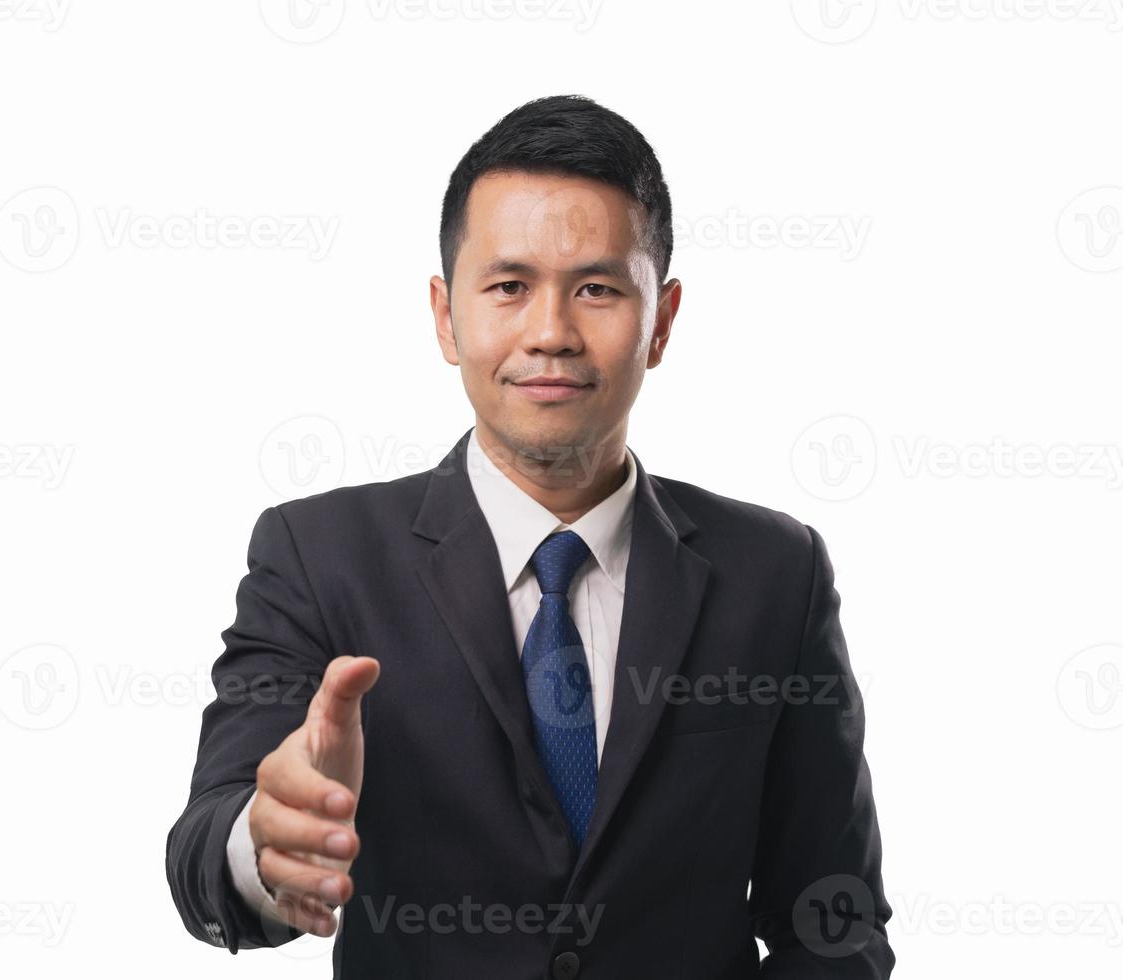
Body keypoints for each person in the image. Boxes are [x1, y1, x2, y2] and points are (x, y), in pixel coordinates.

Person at [166, 93, 895, 978]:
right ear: (445, 315)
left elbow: (833, 914)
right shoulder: (318, 557)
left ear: (659, 321)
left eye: (596, 288)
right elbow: (205, 847)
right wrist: (263, 844)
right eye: (508, 287)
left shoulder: (775, 573)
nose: (550, 333)